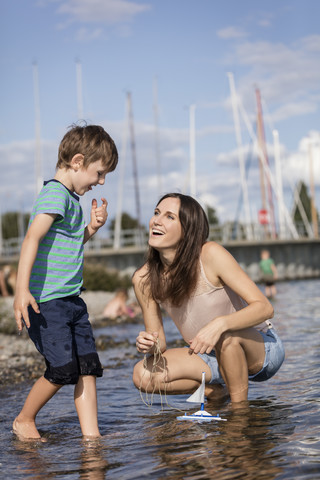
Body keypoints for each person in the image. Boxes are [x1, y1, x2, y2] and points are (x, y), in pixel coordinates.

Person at [12, 123, 118, 440]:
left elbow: (68, 245)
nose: (100, 182)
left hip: (72, 301)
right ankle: (24, 420)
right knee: (62, 370)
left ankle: (91, 437)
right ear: (77, 161)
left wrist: (92, 229)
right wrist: (20, 290)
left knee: (87, 367)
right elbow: (32, 238)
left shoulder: (71, 200)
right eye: (99, 173)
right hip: (46, 302)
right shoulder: (55, 194)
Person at [132, 193, 285, 406]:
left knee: (226, 335)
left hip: (261, 349)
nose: (156, 220)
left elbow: (265, 308)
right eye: (156, 213)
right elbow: (159, 343)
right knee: (143, 374)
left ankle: (240, 419)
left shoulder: (210, 254)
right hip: (209, 357)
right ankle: (216, 392)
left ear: (188, 229)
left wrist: (219, 324)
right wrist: (147, 344)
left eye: (169, 217)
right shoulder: (143, 278)